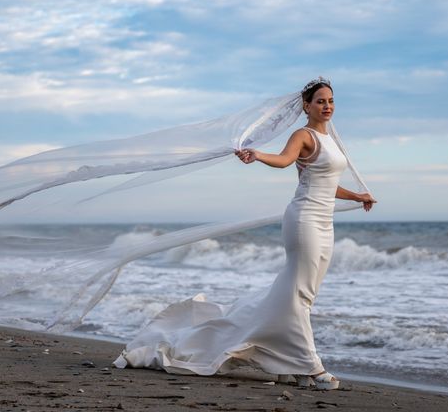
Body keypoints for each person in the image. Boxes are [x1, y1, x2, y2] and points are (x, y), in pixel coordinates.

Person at [112, 77, 376, 390]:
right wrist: (259, 155)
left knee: (302, 294)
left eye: (331, 101)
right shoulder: (303, 135)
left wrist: (357, 196)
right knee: (300, 293)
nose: (327, 106)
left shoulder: (330, 138)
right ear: (307, 106)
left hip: (324, 222)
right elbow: (284, 160)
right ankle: (311, 367)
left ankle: (283, 362)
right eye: (320, 101)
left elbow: (328, 185)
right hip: (303, 219)